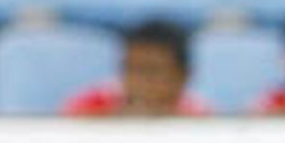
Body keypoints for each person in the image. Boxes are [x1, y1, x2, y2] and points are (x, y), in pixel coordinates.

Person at [63, 19, 209, 117]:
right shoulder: (92, 105)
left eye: (150, 71)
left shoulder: (197, 117)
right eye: (129, 68)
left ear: (183, 76)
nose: (136, 80)